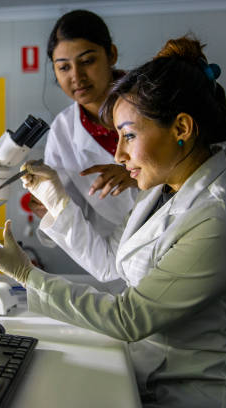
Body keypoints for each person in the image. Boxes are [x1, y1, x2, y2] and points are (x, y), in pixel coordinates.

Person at [0, 35, 226, 407]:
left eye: (129, 136)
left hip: (200, 396)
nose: (118, 154)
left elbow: (128, 317)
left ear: (181, 129)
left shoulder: (218, 217)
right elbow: (112, 262)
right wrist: (59, 202)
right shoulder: (160, 193)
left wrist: (27, 275)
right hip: (153, 377)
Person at [32, 10, 137, 269]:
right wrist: (52, 209)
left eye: (87, 60)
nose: (76, 76)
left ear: (111, 54)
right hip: (116, 254)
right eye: (64, 67)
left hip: (175, 234)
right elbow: (71, 209)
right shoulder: (63, 130)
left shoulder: (150, 102)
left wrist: (135, 175)